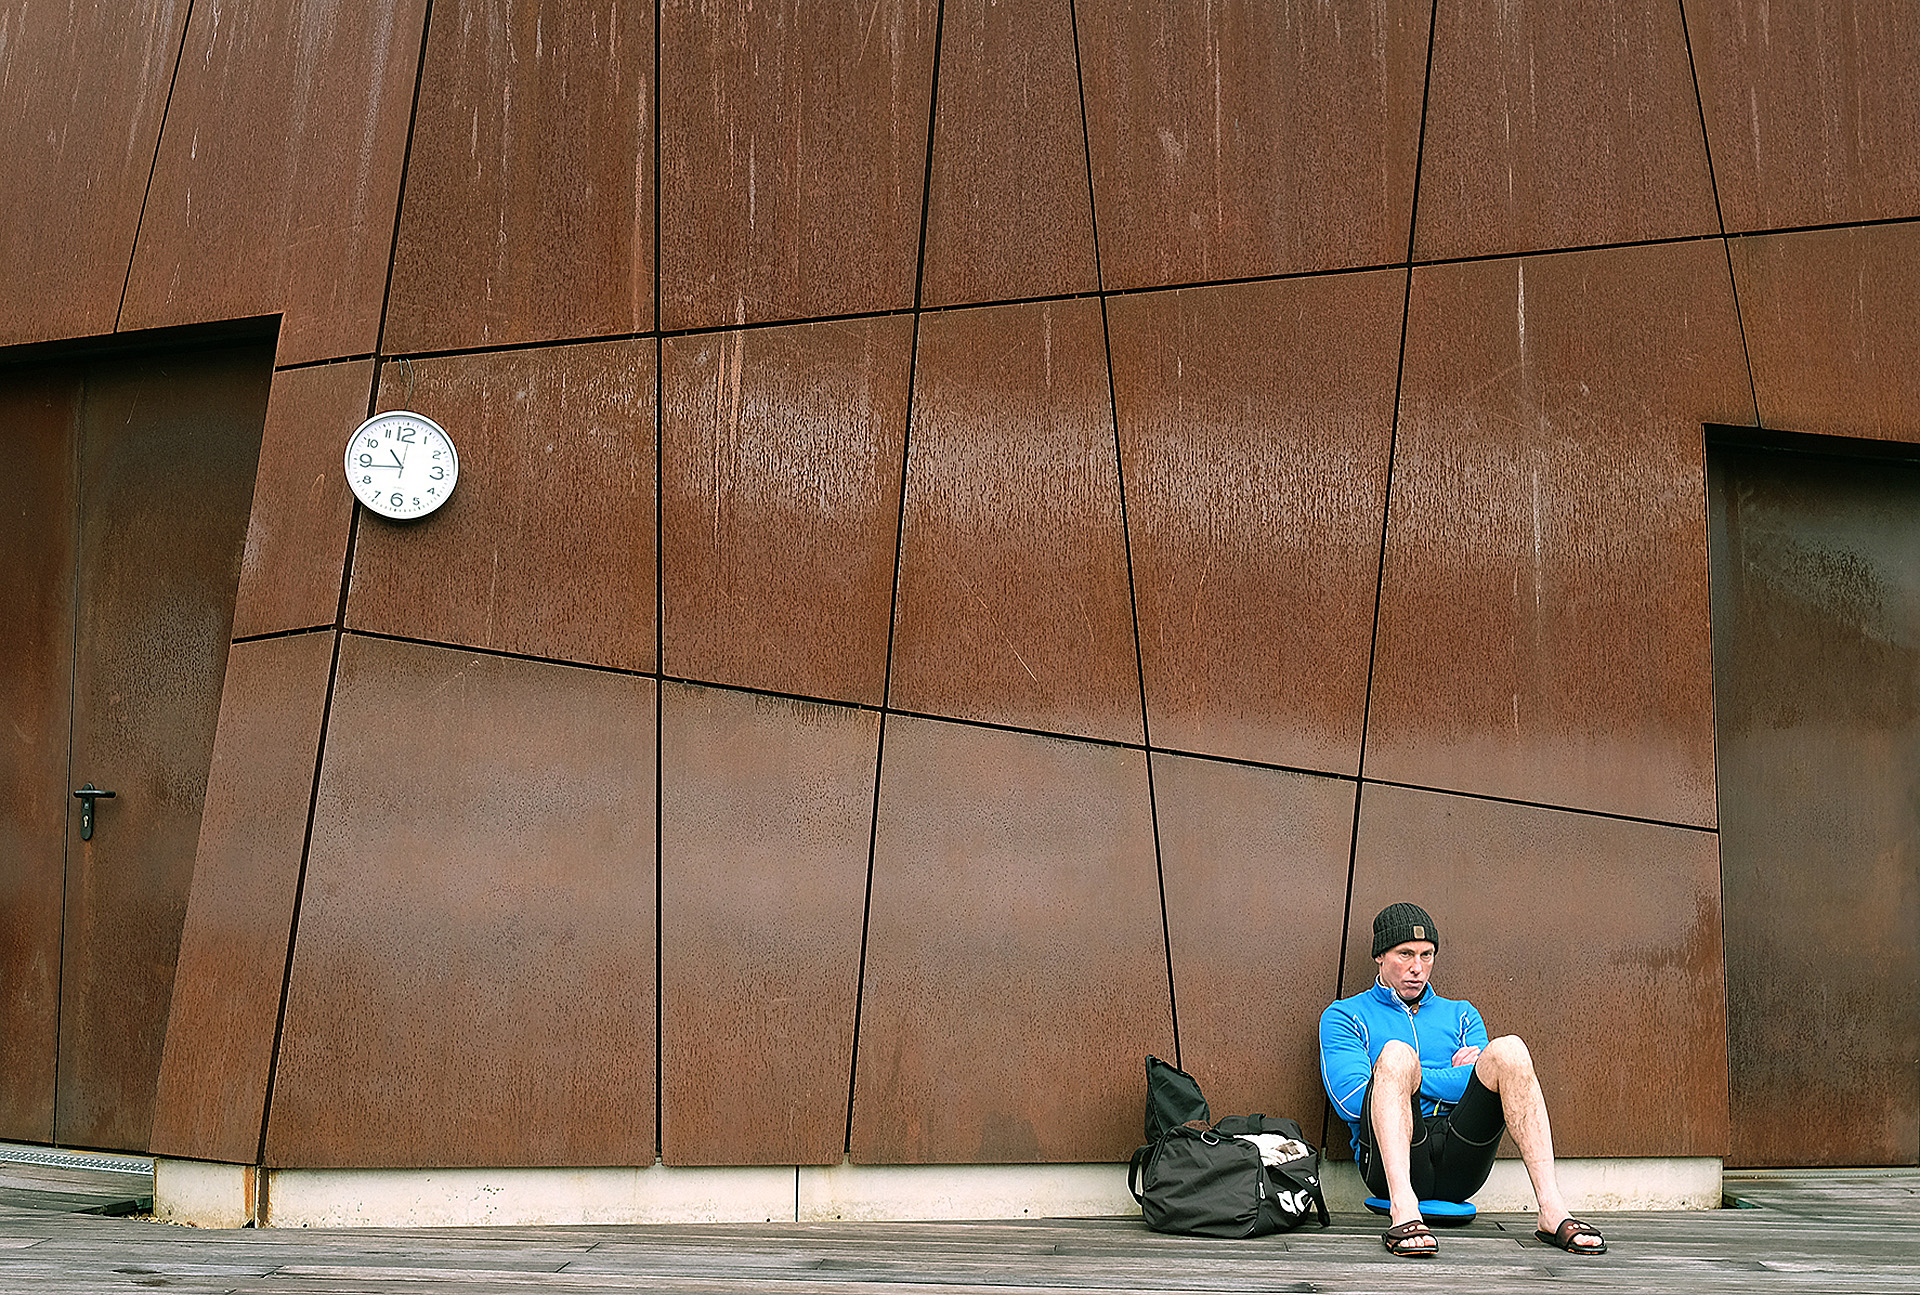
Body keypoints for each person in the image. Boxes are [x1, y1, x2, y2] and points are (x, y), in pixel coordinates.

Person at [1318, 902, 1606, 1259]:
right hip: (1392, 1164)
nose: (1417, 968)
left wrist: (1411, 1079)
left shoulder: (1462, 1014)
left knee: (1510, 1051)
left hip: (1461, 1156)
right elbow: (1352, 1100)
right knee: (1395, 1053)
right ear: (1379, 956)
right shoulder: (1345, 1015)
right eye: (1404, 954)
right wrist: (1409, 1072)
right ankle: (1404, 1212)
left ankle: (1552, 1211)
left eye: (1427, 955)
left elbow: (1485, 1084)